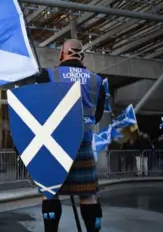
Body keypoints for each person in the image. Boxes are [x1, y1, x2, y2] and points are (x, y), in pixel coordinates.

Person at [36, 39, 105, 232]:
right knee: (89, 194)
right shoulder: (96, 80)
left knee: (50, 192)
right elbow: (98, 115)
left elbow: (38, 108)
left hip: (54, 143)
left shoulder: (48, 75)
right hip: (83, 142)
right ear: (81, 55)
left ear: (61, 54)